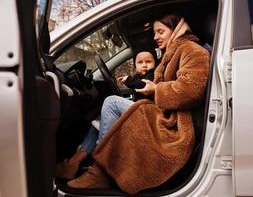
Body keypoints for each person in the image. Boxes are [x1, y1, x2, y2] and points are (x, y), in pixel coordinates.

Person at [62, 13, 210, 194]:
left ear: (176, 30)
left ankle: (101, 171)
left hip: (173, 124)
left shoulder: (192, 50)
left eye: (160, 32)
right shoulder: (172, 53)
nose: (155, 37)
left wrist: (156, 90)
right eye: (155, 32)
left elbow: (191, 91)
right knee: (103, 113)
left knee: (110, 103)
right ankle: (77, 163)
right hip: (163, 113)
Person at [56, 49, 158, 180]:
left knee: (110, 102)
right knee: (100, 119)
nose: (144, 65)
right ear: (135, 65)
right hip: (139, 108)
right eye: (140, 62)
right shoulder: (138, 75)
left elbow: (142, 86)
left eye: (148, 62)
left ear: (155, 63)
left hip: (147, 111)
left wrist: (128, 80)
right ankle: (74, 162)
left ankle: (101, 163)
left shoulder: (152, 75)